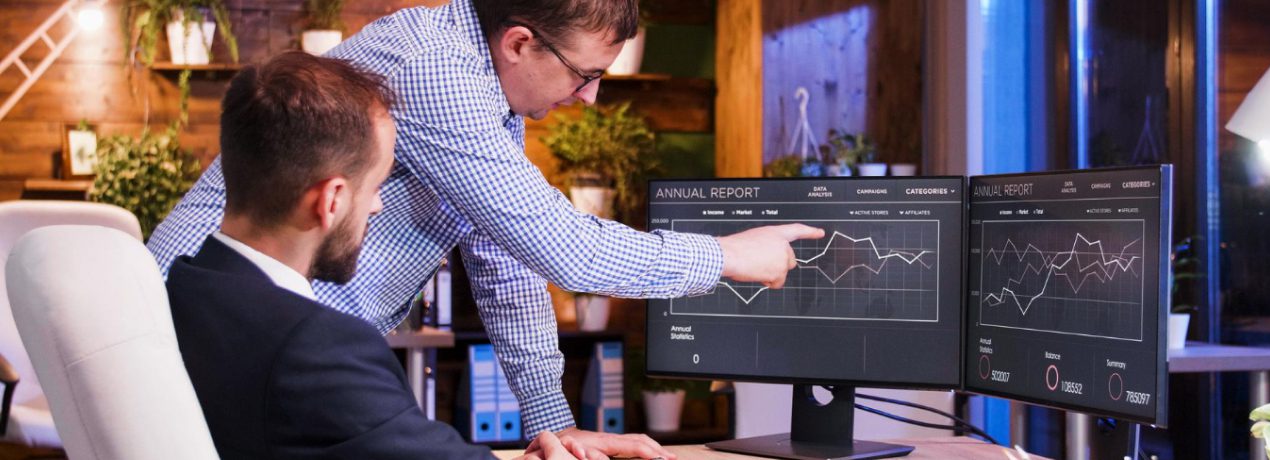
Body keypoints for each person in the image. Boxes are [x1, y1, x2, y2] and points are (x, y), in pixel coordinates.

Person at [147, 0, 824, 453]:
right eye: (586, 74)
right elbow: (565, 249)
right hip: (239, 335)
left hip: (246, 330)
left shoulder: (484, 93)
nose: (590, 97)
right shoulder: (438, 71)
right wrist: (726, 257)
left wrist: (554, 429)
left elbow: (510, 263)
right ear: (520, 42)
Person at [165, 51, 598, 460]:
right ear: (331, 200)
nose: (377, 206)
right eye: (375, 187)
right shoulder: (319, 348)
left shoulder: (181, 290)